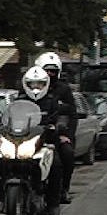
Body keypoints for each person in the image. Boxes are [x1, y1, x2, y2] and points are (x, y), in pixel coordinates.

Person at [0, 65, 63, 215]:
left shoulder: (52, 100)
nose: (35, 87)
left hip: (44, 140)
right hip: (21, 139)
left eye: (39, 84)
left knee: (56, 164)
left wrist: (58, 126)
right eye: (32, 84)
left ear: (46, 84)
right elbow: (9, 116)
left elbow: (60, 116)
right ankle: (2, 195)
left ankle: (53, 203)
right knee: (0, 158)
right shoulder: (19, 100)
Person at [34, 52, 78, 204]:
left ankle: (62, 190)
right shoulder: (27, 87)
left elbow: (72, 114)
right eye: (46, 70)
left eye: (53, 71)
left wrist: (66, 134)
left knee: (66, 154)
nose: (50, 74)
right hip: (31, 134)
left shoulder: (63, 90)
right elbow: (17, 109)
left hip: (54, 133)